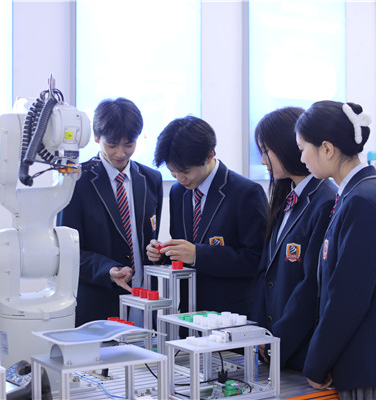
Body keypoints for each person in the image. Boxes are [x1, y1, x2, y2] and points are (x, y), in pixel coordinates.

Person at [296, 100, 376, 398]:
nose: (301, 158)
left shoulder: (362, 200)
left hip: (375, 372)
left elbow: (348, 296)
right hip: (367, 365)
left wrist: (316, 364)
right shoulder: (355, 194)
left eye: (303, 148)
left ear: (327, 149)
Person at [146, 115, 267, 317]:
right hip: (187, 313)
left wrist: (198, 254)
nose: (180, 179)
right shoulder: (178, 192)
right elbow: (184, 250)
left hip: (229, 316)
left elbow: (257, 259)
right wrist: (163, 253)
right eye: (173, 172)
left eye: (185, 171)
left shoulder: (246, 193)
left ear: (209, 156)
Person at [58, 97, 163, 327]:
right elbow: (68, 251)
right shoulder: (76, 181)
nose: (121, 153)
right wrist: (108, 270)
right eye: (112, 144)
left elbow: (149, 239)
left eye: (129, 144)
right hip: (99, 303)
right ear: (97, 137)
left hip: (144, 301)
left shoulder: (152, 179)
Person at [251, 107, 337, 371]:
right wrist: (259, 335)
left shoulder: (325, 200)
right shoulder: (287, 195)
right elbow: (266, 273)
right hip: (273, 343)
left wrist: (278, 343)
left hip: (299, 347)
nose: (263, 161)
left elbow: (311, 287)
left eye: (266, 151)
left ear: (289, 146)